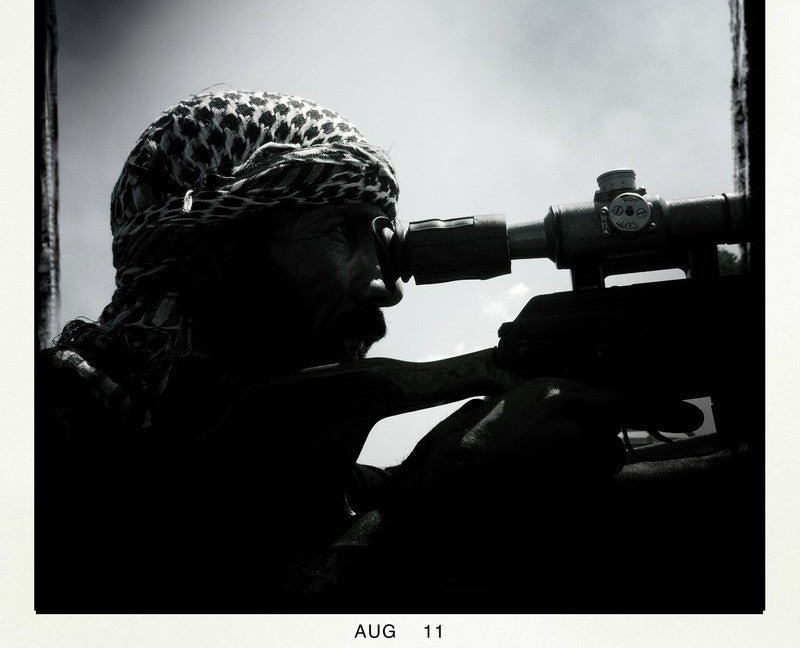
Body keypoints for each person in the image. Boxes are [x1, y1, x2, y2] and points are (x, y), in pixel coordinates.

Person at [37, 90, 760, 614]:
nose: (386, 282)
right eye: (343, 234)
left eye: (385, 240)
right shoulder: (51, 432)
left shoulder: (293, 486)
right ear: (209, 254)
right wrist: (431, 506)